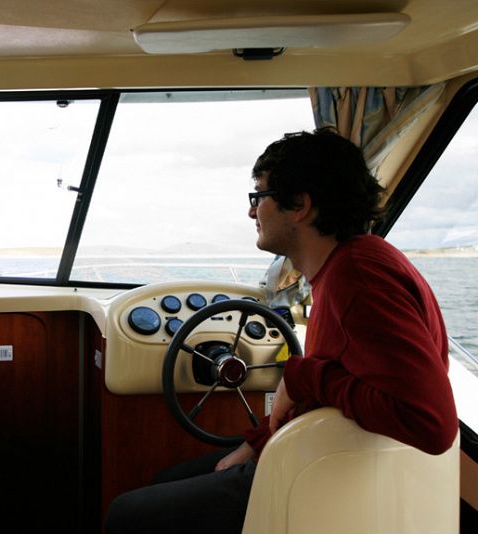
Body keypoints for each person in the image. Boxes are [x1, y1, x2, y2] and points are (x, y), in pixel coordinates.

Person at [105, 128, 459, 534]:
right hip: (319, 456)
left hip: (320, 476)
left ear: (299, 206)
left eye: (259, 197)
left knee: (128, 514)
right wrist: (253, 443)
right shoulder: (353, 265)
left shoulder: (359, 277)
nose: (252, 212)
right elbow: (338, 377)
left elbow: (432, 424)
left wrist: (303, 375)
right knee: (164, 483)